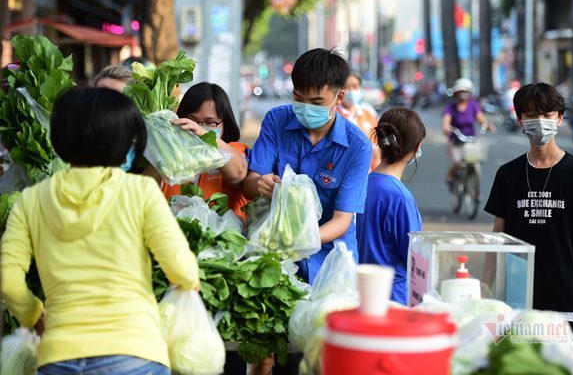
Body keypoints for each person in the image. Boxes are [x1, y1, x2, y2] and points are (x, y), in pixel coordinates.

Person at [0, 88, 200, 374]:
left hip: (58, 356)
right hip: (134, 354)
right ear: (122, 141)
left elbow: (8, 282)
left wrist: (32, 314)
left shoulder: (31, 200)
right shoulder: (140, 191)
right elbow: (182, 270)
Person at [243, 48, 372, 284]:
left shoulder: (358, 147)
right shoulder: (276, 121)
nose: (305, 107)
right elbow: (250, 183)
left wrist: (299, 241)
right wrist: (260, 184)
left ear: (339, 97)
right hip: (273, 250)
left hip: (330, 260)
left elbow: (342, 219)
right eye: (298, 99)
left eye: (316, 102)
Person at [484, 83, 573, 345]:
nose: (540, 122)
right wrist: (488, 290)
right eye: (531, 115)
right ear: (520, 119)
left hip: (567, 295)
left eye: (547, 115)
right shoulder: (508, 174)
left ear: (560, 118)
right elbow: (497, 237)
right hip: (515, 297)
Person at [356, 107, 426, 305]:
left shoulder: (361, 185)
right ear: (418, 145)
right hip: (394, 300)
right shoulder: (400, 199)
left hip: (361, 293)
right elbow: (415, 260)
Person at [160, 82, 249, 218]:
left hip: (221, 237)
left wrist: (205, 135)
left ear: (225, 123)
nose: (197, 128)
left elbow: (238, 173)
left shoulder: (235, 149)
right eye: (192, 121)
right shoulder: (170, 156)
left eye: (209, 123)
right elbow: (143, 191)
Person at [442, 78, 495, 185]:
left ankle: (475, 192)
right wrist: (446, 128)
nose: (463, 94)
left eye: (465, 91)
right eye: (461, 91)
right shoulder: (450, 107)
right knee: (458, 162)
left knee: (476, 164)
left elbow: (480, 118)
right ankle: (450, 175)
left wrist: (488, 125)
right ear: (456, 93)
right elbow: (446, 122)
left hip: (471, 140)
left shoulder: (473, 105)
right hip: (456, 140)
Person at [338, 72, 381, 171]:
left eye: (355, 86)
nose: (351, 91)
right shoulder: (334, 115)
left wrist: (376, 173)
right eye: (346, 87)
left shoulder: (368, 114)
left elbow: (375, 147)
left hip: (368, 173)